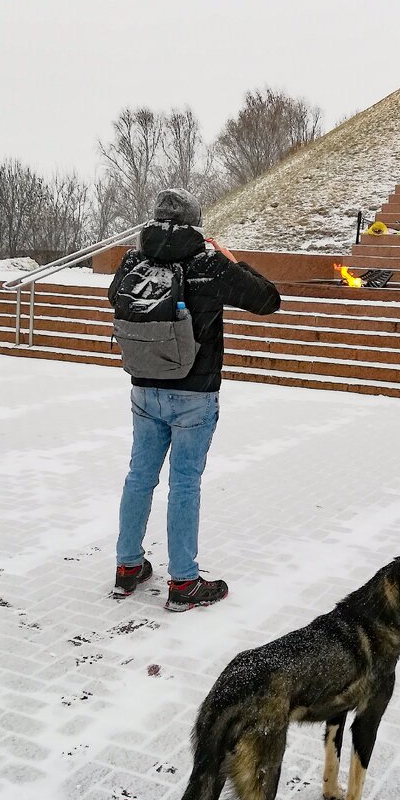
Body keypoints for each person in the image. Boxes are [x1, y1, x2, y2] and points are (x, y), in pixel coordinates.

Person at [110, 188, 281, 610]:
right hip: (194, 394)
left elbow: (116, 298)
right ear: (195, 223)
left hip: (143, 387)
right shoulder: (208, 263)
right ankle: (183, 582)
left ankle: (128, 566)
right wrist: (234, 260)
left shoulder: (134, 259)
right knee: (184, 484)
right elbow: (268, 300)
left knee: (139, 477)